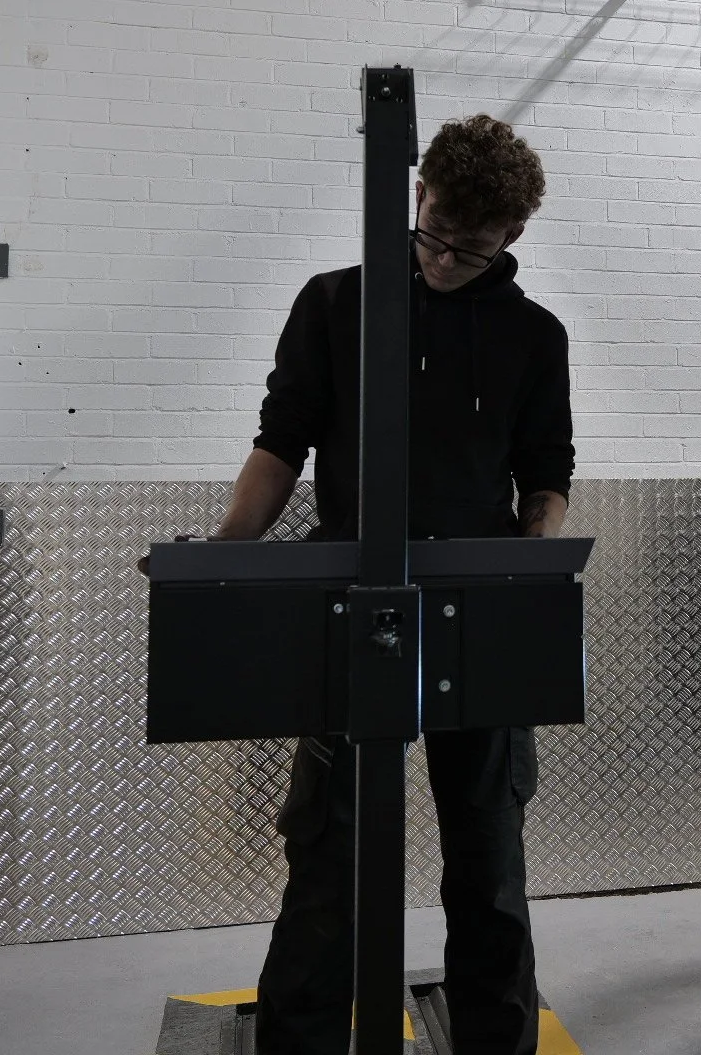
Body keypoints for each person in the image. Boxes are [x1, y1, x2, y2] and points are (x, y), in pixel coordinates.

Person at [210, 114, 573, 1055]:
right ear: (415, 198)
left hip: (478, 615)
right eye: (436, 233)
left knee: (488, 857)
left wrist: (534, 569)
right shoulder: (335, 304)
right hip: (353, 610)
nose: (447, 258)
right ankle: (303, 1040)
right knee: (330, 856)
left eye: (474, 247)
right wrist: (222, 554)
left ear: (513, 239)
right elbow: (280, 441)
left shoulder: (535, 336)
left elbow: (545, 472)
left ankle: (499, 1041)